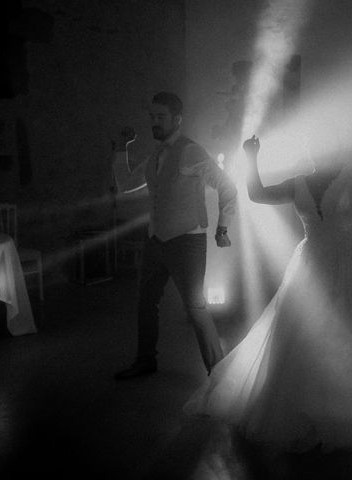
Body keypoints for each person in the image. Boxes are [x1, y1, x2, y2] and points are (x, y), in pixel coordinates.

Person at [185, 133, 352, 460]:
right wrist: (251, 159)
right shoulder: (299, 182)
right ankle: (309, 412)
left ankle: (350, 411)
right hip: (311, 266)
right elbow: (257, 194)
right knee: (305, 339)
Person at [113, 92, 237, 380]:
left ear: (177, 119)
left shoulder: (191, 151)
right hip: (156, 240)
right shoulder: (155, 154)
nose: (154, 122)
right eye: (152, 117)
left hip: (187, 241)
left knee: (195, 307)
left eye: (161, 117)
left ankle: (219, 374)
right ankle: (145, 360)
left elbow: (228, 187)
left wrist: (222, 227)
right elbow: (125, 185)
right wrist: (121, 148)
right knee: (146, 303)